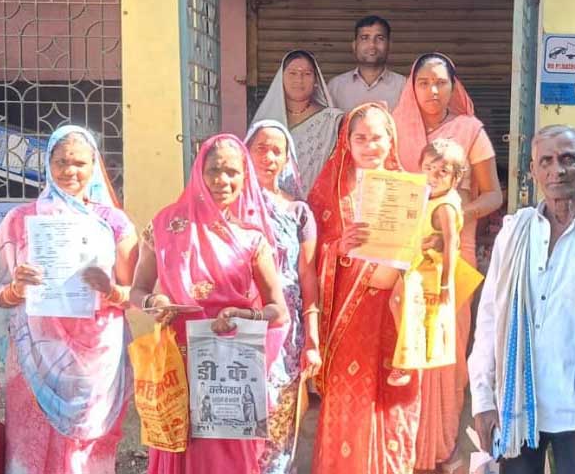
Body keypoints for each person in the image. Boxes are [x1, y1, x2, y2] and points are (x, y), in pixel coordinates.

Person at [467, 125, 575, 474]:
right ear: (533, 170)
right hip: (515, 408)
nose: (558, 170)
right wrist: (482, 399)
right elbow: (490, 319)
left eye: (568, 159)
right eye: (546, 161)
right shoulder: (514, 233)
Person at [131, 133, 290, 474]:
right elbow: (137, 290)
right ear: (198, 174)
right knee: (181, 451)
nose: (222, 180)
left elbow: (278, 310)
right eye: (214, 170)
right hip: (178, 364)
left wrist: (244, 315)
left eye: (232, 171)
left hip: (231, 368)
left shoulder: (252, 238)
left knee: (228, 458)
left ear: (245, 176)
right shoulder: (166, 225)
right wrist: (154, 301)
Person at [0, 125, 138, 474]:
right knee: (31, 445)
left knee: (87, 454)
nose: (70, 171)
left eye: (80, 163)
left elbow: (136, 293)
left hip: (95, 364)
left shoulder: (113, 223)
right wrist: (16, 290)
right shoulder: (20, 221)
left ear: (95, 165)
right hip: (35, 361)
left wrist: (110, 290)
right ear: (48, 164)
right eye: (61, 162)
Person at [391, 52, 503, 472]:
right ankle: (404, 444)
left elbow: (493, 195)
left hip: (454, 255)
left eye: (440, 82)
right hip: (404, 253)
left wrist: (452, 216)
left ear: (454, 86)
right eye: (423, 82)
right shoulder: (395, 127)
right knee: (406, 344)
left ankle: (441, 445)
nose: (432, 90)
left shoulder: (471, 130)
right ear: (412, 86)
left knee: (448, 350)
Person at [308, 103, 421, 474]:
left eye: (377, 137)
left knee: (391, 397)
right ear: (347, 141)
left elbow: (426, 253)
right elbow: (307, 254)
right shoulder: (328, 191)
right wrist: (338, 247)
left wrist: (409, 261)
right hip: (347, 313)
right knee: (348, 395)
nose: (370, 146)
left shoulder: (409, 190)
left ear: (391, 140)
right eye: (361, 138)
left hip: (391, 311)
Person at [244, 120, 323, 474]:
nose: (269, 157)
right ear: (246, 152)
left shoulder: (298, 212)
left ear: (288, 158)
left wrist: (312, 339)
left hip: (286, 333)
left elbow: (308, 276)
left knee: (280, 419)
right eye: (260, 148)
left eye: (277, 150)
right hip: (241, 326)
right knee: (240, 416)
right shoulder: (229, 207)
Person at [388, 139, 468, 390]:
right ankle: (411, 354)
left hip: (429, 271)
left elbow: (452, 241)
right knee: (401, 305)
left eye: (442, 172)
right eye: (428, 168)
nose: (433, 176)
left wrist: (446, 284)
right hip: (416, 264)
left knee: (411, 310)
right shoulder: (428, 195)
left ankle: (406, 361)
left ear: (456, 178)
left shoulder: (445, 206)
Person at [252, 50, 344, 196]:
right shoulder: (266, 120)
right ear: (281, 78)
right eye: (292, 73)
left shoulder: (332, 121)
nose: (299, 79)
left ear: (316, 80)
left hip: (317, 203)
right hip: (271, 202)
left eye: (307, 74)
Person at [327, 15, 406, 111]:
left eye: (380, 38)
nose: (372, 45)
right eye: (364, 38)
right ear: (354, 45)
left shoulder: (404, 87)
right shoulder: (335, 86)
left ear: (389, 45)